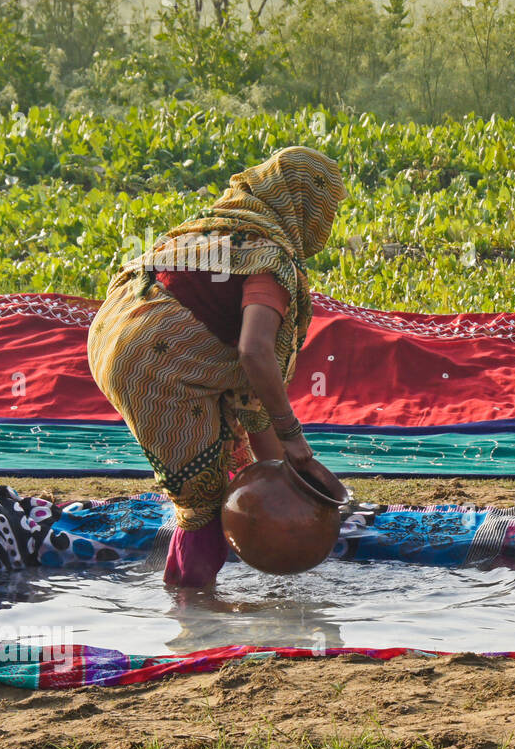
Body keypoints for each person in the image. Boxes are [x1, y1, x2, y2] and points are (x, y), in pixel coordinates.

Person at [87, 146, 345, 589]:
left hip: (114, 336)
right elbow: (254, 353)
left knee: (224, 463)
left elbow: (248, 394)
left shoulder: (215, 231)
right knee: (202, 499)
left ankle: (190, 592)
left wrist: (285, 475)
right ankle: (196, 613)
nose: (328, 221)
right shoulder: (269, 258)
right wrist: (294, 439)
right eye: (328, 208)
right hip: (160, 365)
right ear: (304, 202)